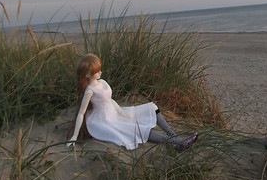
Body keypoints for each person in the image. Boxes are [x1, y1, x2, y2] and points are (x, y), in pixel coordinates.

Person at [66, 53, 198, 150]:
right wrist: (74, 135)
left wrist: (122, 112)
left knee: (152, 108)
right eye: (96, 71)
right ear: (87, 75)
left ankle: (176, 139)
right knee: (139, 130)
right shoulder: (90, 90)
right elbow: (81, 114)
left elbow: (110, 101)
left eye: (99, 69)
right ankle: (180, 142)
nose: (100, 72)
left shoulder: (102, 82)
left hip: (115, 112)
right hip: (105, 120)